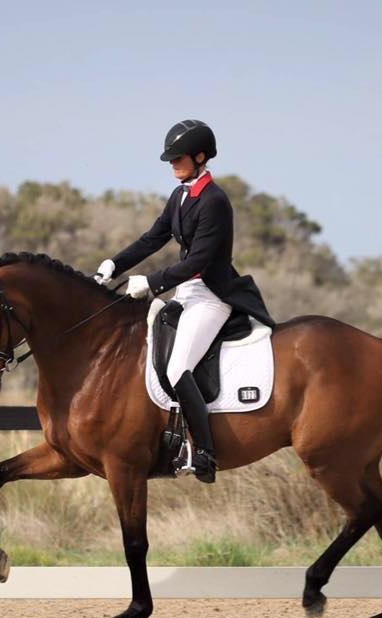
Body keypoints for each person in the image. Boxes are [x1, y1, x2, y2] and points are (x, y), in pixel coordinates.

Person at [95, 119, 274, 483]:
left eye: (179, 158)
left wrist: (151, 282)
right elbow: (152, 238)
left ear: (200, 157)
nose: (173, 164)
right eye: (171, 158)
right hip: (186, 293)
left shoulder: (215, 201)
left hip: (212, 295)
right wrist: (115, 264)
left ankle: (206, 452)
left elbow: (199, 262)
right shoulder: (180, 195)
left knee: (178, 369)